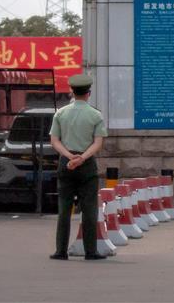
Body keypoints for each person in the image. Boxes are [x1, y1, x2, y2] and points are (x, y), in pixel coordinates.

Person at [49, 74, 108, 260]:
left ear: (72, 92)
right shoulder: (95, 115)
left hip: (66, 163)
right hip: (87, 164)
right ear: (88, 93)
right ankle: (91, 251)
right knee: (89, 209)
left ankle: (60, 251)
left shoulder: (60, 113)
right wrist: (81, 158)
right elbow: (98, 143)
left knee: (64, 208)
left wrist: (68, 157)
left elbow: (54, 141)